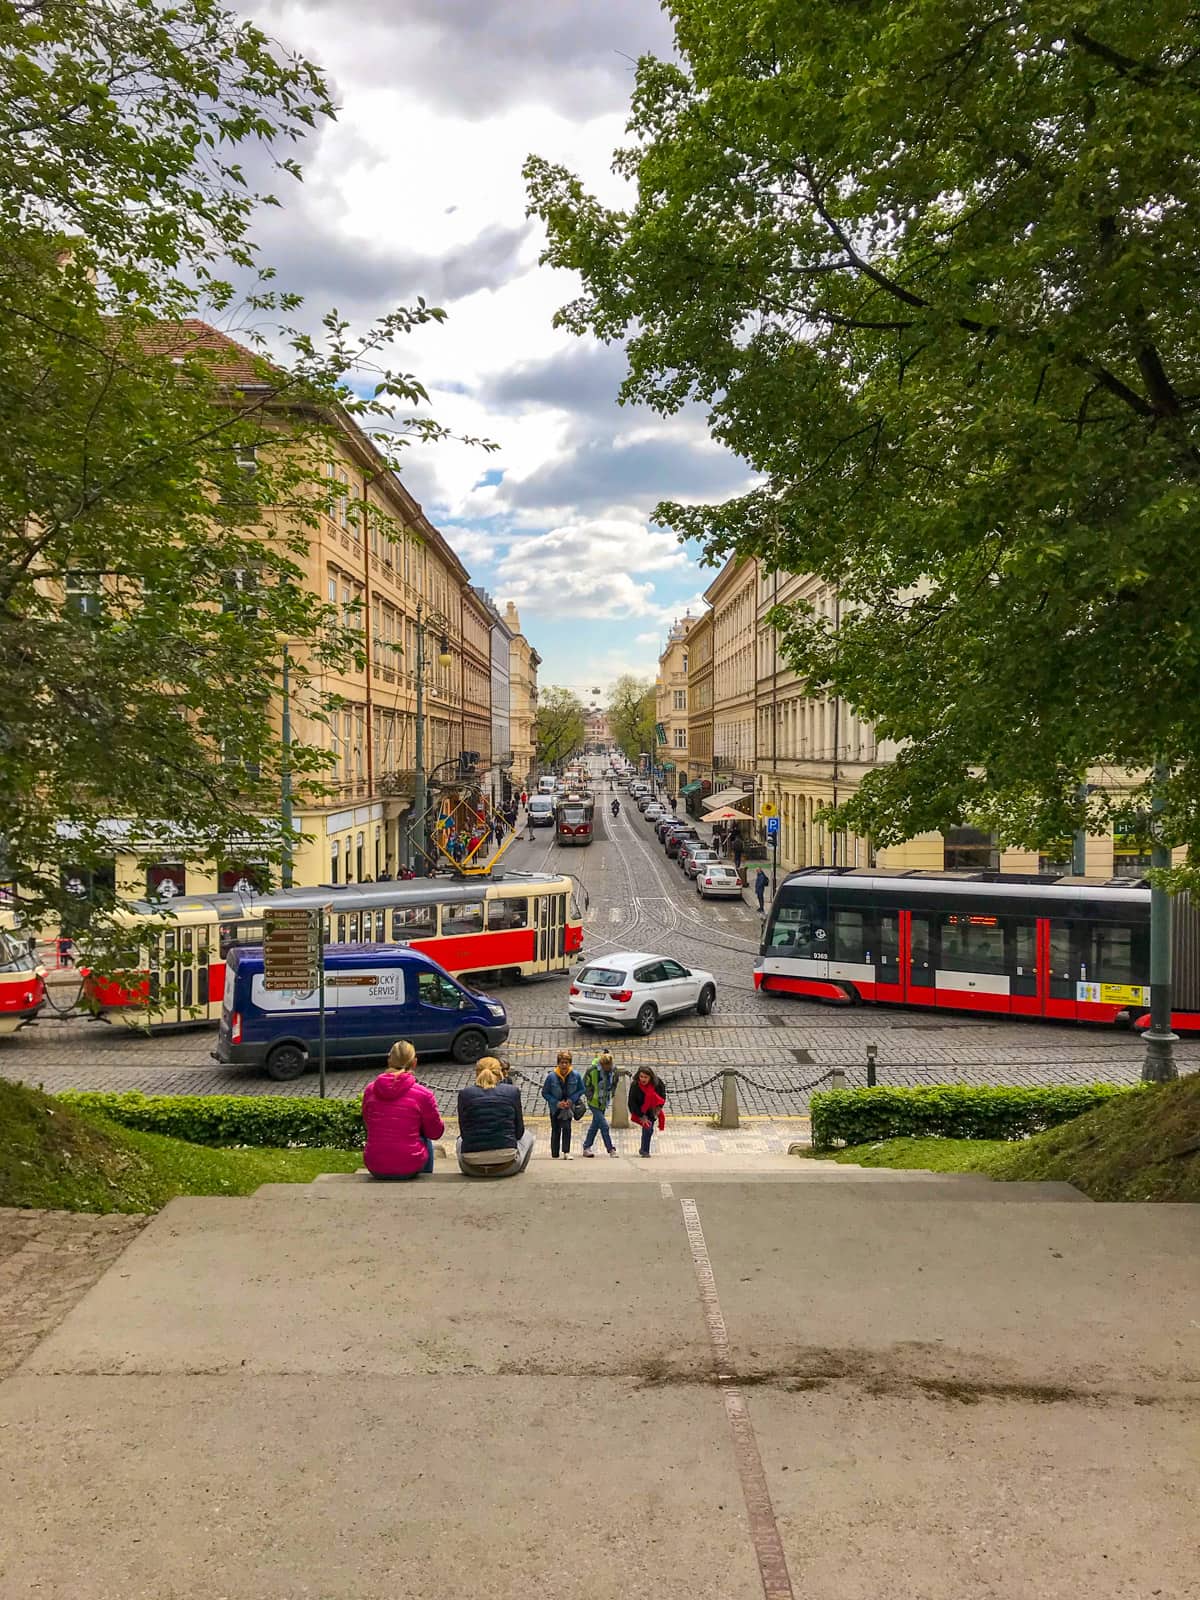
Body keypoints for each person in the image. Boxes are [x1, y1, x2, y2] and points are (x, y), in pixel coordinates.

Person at [362, 1040, 445, 1180]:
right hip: (409, 1164)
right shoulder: (423, 1094)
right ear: (414, 1063)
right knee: (426, 1140)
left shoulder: (371, 1090)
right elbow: (436, 1132)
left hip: (375, 1163)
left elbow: (368, 1124)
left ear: (389, 1061)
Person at [456, 1057, 535, 1177]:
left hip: (471, 1167)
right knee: (529, 1136)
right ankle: (519, 1172)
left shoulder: (464, 1094)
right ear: (500, 1073)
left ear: (477, 1073)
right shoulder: (512, 1092)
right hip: (508, 1166)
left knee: (459, 1140)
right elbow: (519, 1132)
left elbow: (464, 1132)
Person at [541, 1049, 585, 1160]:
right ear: (558, 1063)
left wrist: (572, 1100)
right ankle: (555, 1153)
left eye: (566, 1062)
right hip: (555, 1108)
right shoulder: (551, 1077)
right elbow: (545, 1093)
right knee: (555, 1129)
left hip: (568, 1107)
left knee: (567, 1128)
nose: (564, 1065)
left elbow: (581, 1089)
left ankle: (566, 1151)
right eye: (562, 1062)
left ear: (570, 1063)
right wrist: (556, 1103)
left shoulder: (576, 1075)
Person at [581, 1050, 619, 1158]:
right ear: (602, 1065)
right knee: (604, 1126)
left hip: (603, 1102)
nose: (608, 1068)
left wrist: (612, 1092)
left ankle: (586, 1146)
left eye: (610, 1065)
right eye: (606, 1066)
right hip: (594, 1102)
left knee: (595, 1125)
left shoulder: (613, 1070)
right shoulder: (592, 1070)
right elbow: (585, 1085)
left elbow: (615, 1082)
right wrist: (590, 1096)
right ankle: (610, 1149)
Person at [627, 1067, 667, 1159]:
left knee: (649, 1130)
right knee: (648, 1128)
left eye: (645, 1077)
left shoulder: (657, 1083)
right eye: (641, 1077)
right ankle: (645, 1151)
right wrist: (641, 1115)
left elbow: (663, 1095)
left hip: (652, 1109)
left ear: (650, 1077)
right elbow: (632, 1102)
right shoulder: (635, 1086)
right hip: (640, 1110)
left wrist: (659, 1107)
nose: (643, 1079)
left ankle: (643, 1149)